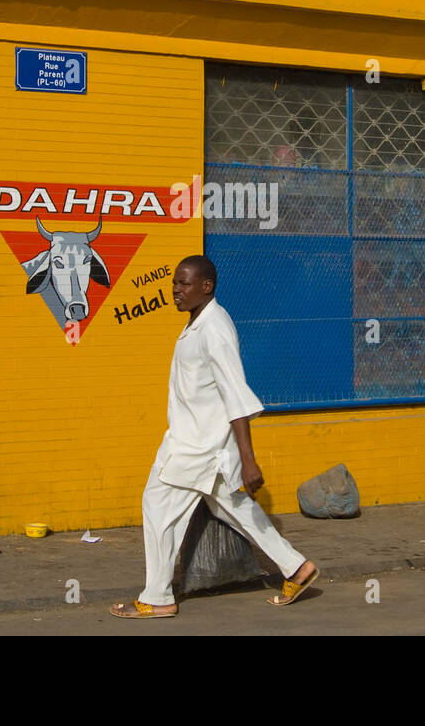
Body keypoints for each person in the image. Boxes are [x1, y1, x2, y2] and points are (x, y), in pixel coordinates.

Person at [110, 255, 318, 618]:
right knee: (234, 508)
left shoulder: (214, 330)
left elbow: (235, 393)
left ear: (206, 286)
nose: (176, 289)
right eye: (174, 282)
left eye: (184, 283)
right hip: (201, 443)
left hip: (197, 447)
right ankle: (296, 568)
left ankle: (157, 597)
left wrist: (249, 459)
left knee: (157, 506)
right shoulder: (198, 323)